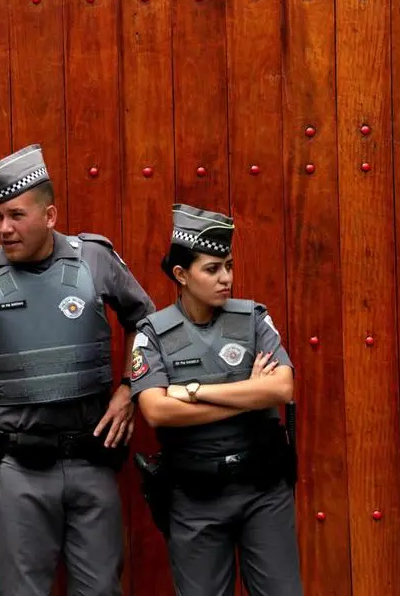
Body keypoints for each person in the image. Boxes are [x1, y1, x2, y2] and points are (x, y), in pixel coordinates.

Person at [0, 144, 156, 596]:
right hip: (18, 468)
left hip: (92, 460)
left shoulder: (94, 259)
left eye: (16, 215)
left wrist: (131, 388)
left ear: (49, 216)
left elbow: (145, 324)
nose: (4, 229)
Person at [130, 203, 302, 596]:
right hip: (195, 496)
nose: (225, 278)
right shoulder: (153, 334)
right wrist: (248, 395)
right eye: (212, 269)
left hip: (262, 490)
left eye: (228, 265)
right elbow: (157, 411)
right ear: (182, 275)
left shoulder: (254, 320)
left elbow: (280, 389)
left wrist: (193, 392)